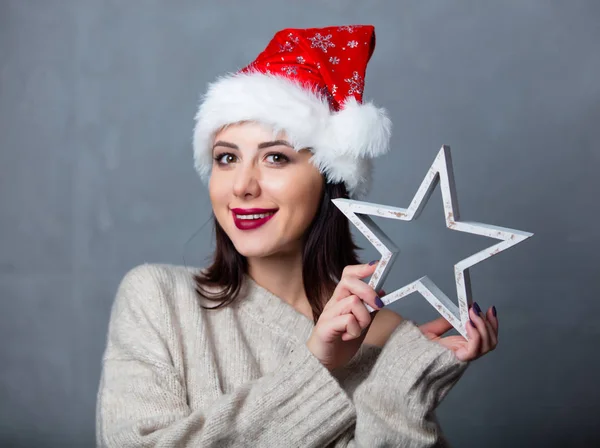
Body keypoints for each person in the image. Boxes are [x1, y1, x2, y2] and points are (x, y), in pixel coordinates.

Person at [96, 25, 498, 447]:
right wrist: (317, 364)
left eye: (275, 157)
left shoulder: (388, 338)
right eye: (227, 158)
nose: (242, 186)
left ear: (329, 179)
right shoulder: (157, 301)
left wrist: (403, 384)